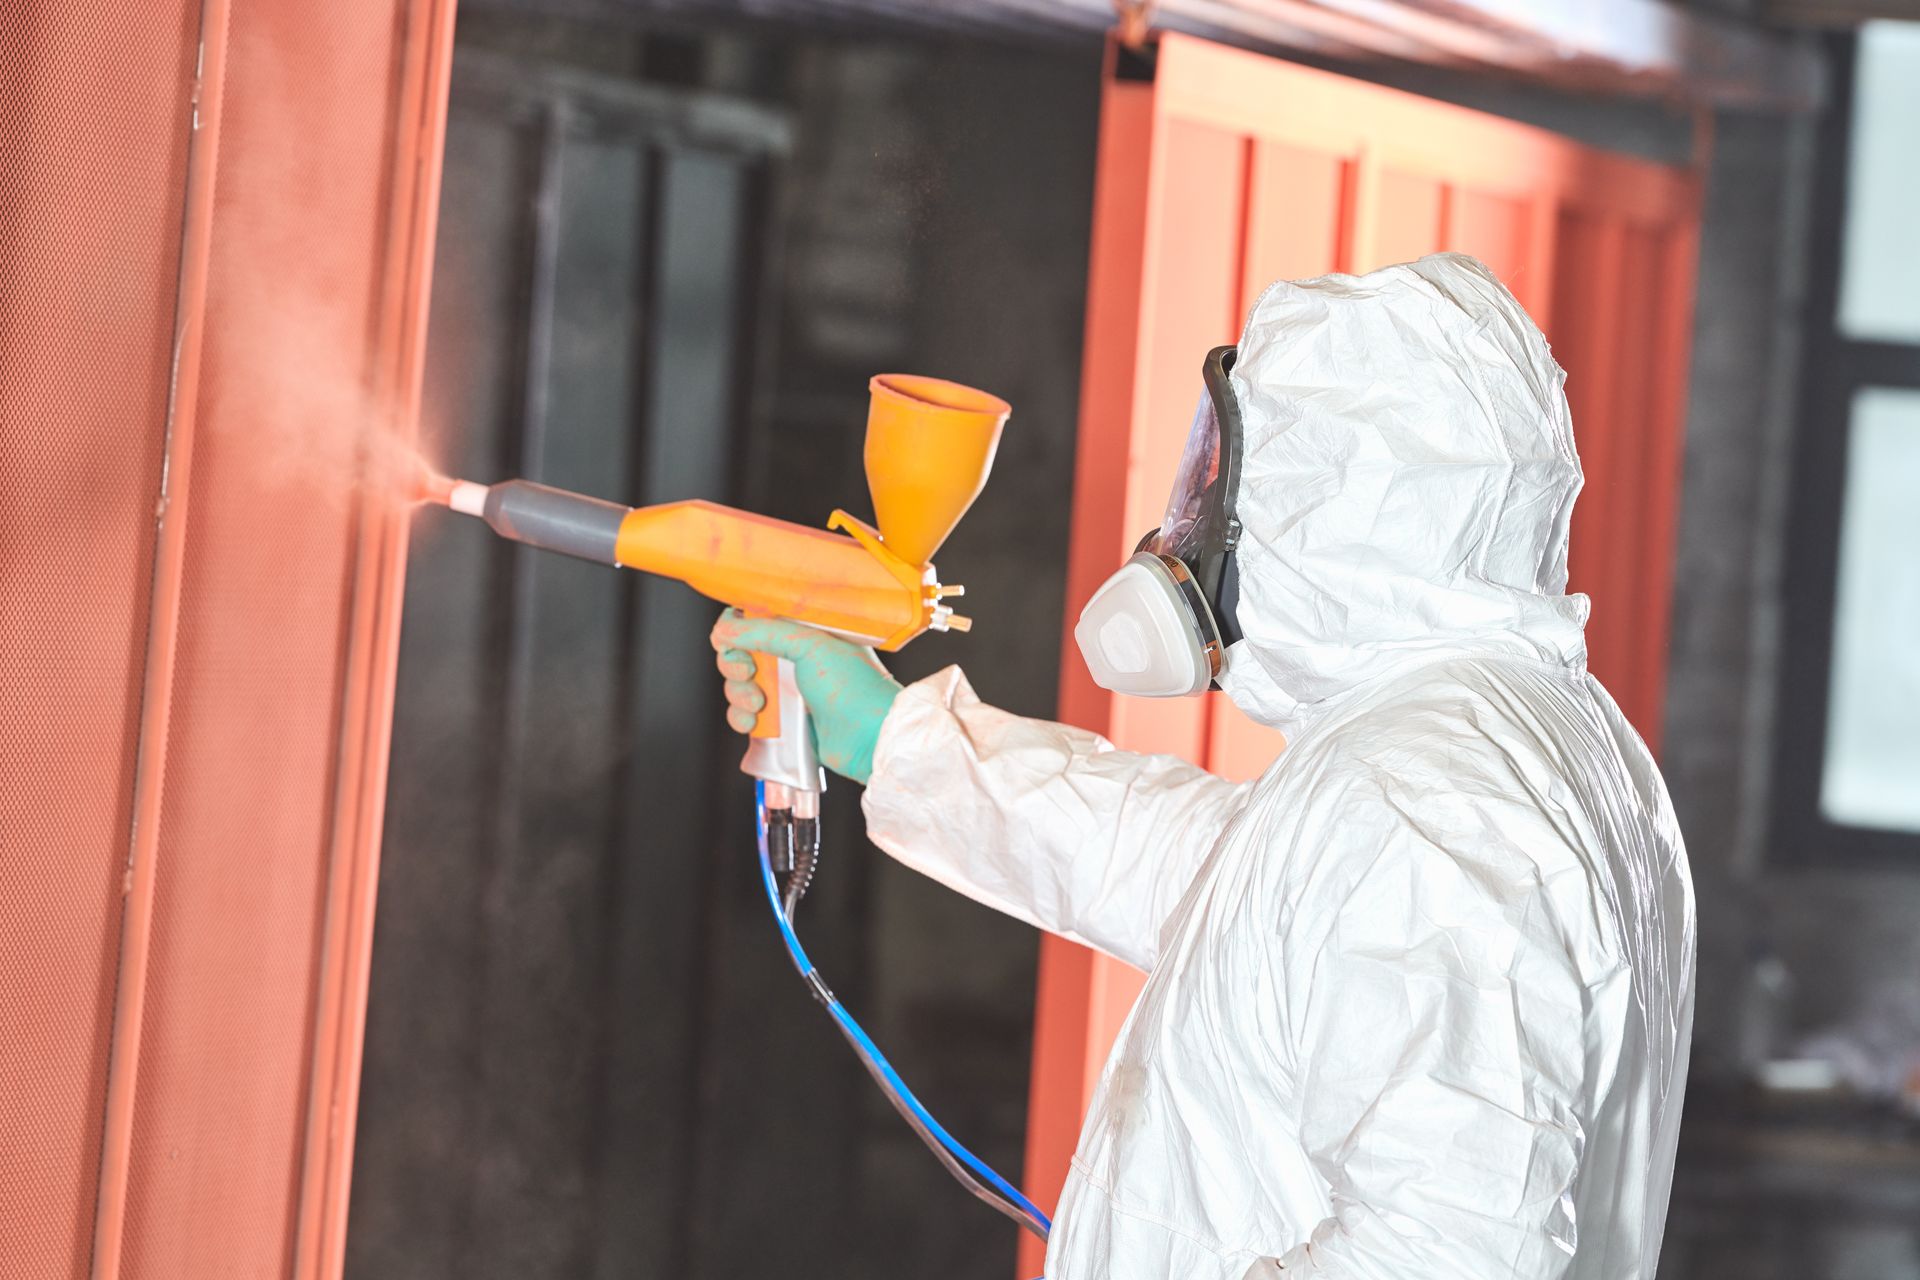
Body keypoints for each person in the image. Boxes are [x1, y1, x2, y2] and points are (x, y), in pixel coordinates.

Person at [711, 254, 1696, 1280]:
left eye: (1220, 480)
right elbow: (1232, 891)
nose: (1190, 521)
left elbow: (1445, 1254)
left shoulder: (1429, 801)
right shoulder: (1519, 749)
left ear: (1333, 499)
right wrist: (896, 738)